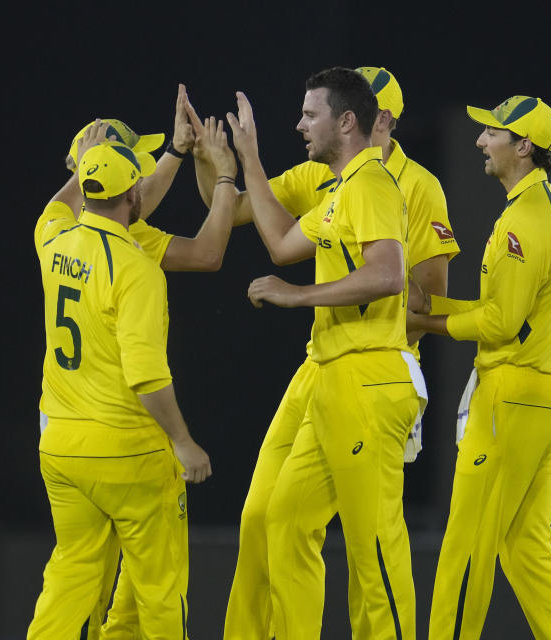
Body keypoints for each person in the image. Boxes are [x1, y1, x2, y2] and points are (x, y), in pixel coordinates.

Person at [191, 67, 458, 639]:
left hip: (370, 373)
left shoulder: (381, 184)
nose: (300, 123)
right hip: (330, 367)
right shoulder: (337, 183)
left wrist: (299, 295)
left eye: (310, 114)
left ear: (354, 120)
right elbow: (281, 242)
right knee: (277, 518)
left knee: (374, 550)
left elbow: (396, 282)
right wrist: (239, 161)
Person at [40, 90, 240, 639]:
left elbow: (92, 198)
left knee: (71, 574)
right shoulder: (135, 261)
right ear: (132, 188)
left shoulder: (50, 233)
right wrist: (183, 441)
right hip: (129, 450)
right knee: (158, 587)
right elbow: (148, 373)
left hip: (61, 447)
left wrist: (172, 152)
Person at [408, 96, 551, 640]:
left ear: (524, 147)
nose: (480, 141)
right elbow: (511, 314)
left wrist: (425, 323)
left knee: (467, 546)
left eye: (491, 133)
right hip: (548, 398)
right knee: (524, 550)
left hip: (513, 398)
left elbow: (501, 323)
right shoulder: (550, 208)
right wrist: (433, 307)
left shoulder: (524, 220)